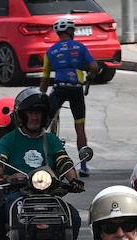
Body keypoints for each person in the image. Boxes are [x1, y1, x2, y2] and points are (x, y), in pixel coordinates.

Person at [0, 86, 81, 240]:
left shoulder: (51, 140)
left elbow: (64, 162)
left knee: (73, 216)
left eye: (38, 113)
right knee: (2, 207)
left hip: (48, 195)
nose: (34, 117)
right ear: (22, 115)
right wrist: (4, 178)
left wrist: (73, 180)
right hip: (19, 194)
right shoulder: (9, 139)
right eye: (30, 112)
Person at [38, 17, 99, 177]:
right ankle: (84, 166)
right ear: (71, 31)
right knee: (80, 127)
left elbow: (45, 78)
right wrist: (90, 75)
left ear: (58, 33)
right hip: (76, 89)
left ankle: (40, 158)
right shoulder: (80, 47)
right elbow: (94, 67)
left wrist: (42, 93)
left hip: (59, 89)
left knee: (43, 124)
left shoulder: (51, 51)